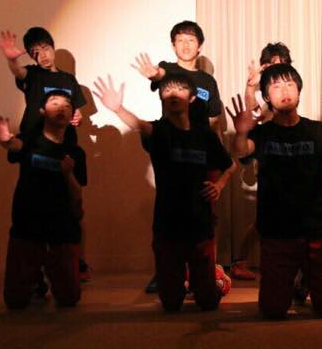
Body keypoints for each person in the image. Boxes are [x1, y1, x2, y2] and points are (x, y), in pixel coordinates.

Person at [93, 73, 233, 311]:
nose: (172, 94)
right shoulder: (160, 131)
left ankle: (217, 279)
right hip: (167, 224)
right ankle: (185, 282)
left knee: (208, 302)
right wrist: (118, 109)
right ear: (161, 99)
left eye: (179, 89)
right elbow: (139, 125)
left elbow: (229, 165)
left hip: (200, 223)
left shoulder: (205, 135)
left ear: (191, 98)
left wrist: (218, 186)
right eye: (167, 91)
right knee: (171, 303)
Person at [227, 63, 322, 319]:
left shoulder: (319, 131)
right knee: (272, 311)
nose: (284, 90)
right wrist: (241, 132)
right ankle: (293, 284)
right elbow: (241, 151)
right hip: (276, 232)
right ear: (266, 96)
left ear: (299, 90)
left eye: (289, 84)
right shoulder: (263, 134)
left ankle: (305, 281)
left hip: (317, 229)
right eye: (276, 86)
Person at [131, 21, 226, 292]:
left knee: (206, 213)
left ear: (200, 46)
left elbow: (214, 120)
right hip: (172, 149)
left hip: (202, 150)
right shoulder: (169, 71)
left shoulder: (208, 81)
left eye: (191, 40)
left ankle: (205, 271)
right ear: (173, 45)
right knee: (169, 209)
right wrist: (153, 75)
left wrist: (219, 154)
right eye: (180, 40)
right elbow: (158, 75)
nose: (185, 45)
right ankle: (166, 271)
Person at [0, 28, 90, 282]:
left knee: (69, 202)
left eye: (45, 48)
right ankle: (33, 273)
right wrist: (11, 59)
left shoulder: (69, 80)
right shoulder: (33, 74)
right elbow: (18, 72)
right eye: (35, 52)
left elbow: (78, 111)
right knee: (33, 197)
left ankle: (73, 262)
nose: (42, 55)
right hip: (34, 144)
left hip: (64, 145)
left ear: (53, 47)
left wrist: (77, 117)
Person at [0, 90, 86, 309]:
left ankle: (47, 276)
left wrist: (68, 174)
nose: (61, 108)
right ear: (42, 111)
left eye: (67, 105)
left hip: (61, 228)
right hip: (27, 225)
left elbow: (77, 193)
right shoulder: (30, 140)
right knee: (15, 301)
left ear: (72, 114)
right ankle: (35, 280)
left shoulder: (75, 152)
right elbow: (15, 145)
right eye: (55, 103)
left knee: (69, 299)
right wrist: (5, 141)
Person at [230, 42, 294, 281]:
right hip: (267, 155)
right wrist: (250, 87)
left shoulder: (289, 87)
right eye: (272, 64)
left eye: (282, 64)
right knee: (266, 215)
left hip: (290, 154)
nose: (277, 69)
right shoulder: (262, 92)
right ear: (264, 66)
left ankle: (248, 260)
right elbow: (253, 114)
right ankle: (241, 260)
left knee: (277, 214)